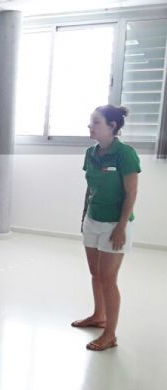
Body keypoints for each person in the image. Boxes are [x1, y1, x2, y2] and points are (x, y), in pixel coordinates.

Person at [73, 105, 140, 351]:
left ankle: (110, 334)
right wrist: (84, 218)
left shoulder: (125, 154)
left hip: (115, 224)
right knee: (95, 274)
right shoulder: (91, 153)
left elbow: (131, 192)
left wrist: (121, 226)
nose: (90, 126)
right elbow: (90, 189)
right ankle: (98, 316)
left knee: (108, 279)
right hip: (93, 220)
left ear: (112, 126)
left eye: (96, 122)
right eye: (91, 122)